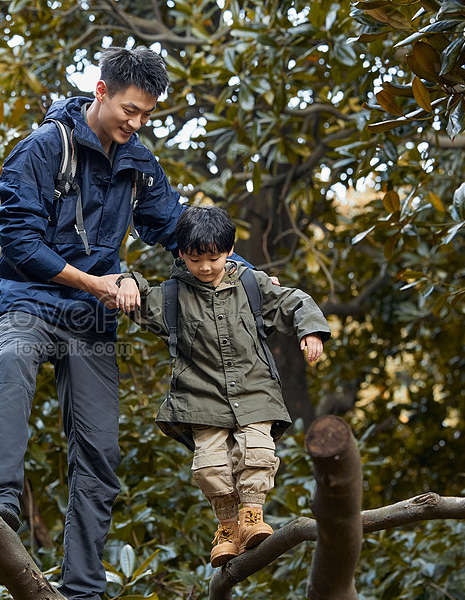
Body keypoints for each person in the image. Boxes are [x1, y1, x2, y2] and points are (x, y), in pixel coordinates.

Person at [0, 46, 186, 600]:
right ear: (100, 92)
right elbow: (19, 243)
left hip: (91, 323)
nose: (136, 122)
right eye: (129, 109)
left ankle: (85, 595)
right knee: (14, 361)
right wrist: (95, 281)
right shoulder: (44, 148)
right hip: (29, 301)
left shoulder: (138, 162)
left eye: (146, 114)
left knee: (99, 451)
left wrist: (238, 268)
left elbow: (175, 230)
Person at [116, 206, 330, 567]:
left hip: (255, 389)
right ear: (181, 253)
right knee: (210, 467)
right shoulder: (172, 296)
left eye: (213, 258)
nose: (205, 267)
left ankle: (252, 516)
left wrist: (310, 330)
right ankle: (228, 527)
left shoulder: (252, 284)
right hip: (199, 397)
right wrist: (126, 282)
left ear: (229, 251)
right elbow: (138, 297)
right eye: (196, 259)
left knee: (257, 453)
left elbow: (294, 301)